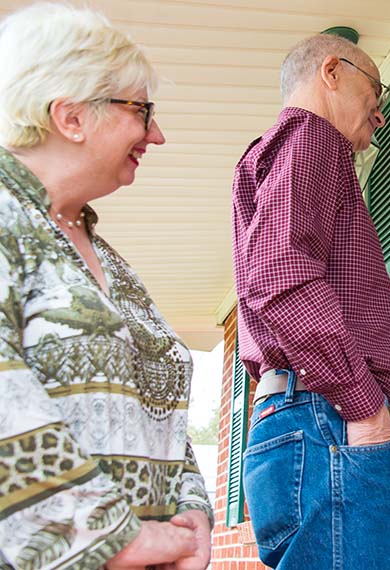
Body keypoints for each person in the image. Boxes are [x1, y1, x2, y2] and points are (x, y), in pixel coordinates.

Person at [0, 4, 212, 568]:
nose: (158, 134)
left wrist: (193, 511)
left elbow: (150, 410)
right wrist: (116, 536)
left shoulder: (110, 262)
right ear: (71, 117)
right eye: (142, 111)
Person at [231, 34, 390, 569]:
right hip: (325, 418)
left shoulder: (265, 153)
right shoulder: (313, 136)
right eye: (374, 94)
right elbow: (278, 274)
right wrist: (364, 405)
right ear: (332, 71)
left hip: (293, 418)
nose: (380, 117)